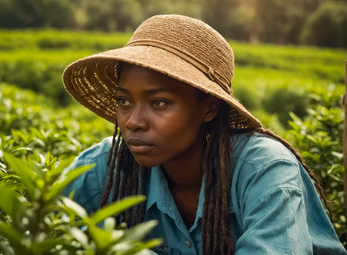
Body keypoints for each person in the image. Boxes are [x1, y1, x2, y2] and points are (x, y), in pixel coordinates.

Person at [62, 15, 346, 254]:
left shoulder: (264, 171)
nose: (133, 122)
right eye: (124, 101)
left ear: (208, 108)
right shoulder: (106, 165)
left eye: (158, 103)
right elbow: (41, 230)